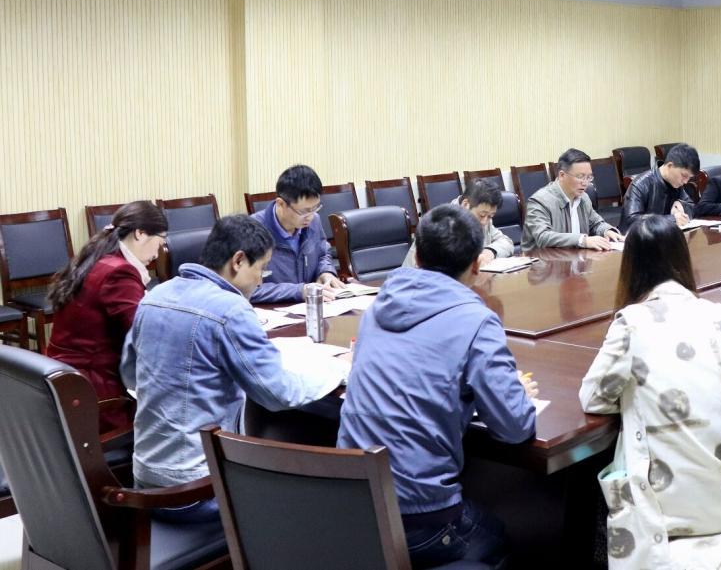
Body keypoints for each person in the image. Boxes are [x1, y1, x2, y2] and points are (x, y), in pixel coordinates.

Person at [340, 205, 537, 569]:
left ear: (416, 256)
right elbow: (515, 427)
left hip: (351, 502)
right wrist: (518, 396)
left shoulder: (376, 307)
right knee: (506, 539)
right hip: (420, 519)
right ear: (476, 265)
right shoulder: (476, 321)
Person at [580, 216, 721, 569]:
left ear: (630, 266)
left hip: (683, 508)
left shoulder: (631, 322)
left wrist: (637, 392)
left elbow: (594, 397)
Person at [122, 215, 347, 522]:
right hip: (196, 490)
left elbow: (130, 375)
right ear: (238, 261)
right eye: (262, 269)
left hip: (145, 480)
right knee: (319, 497)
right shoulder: (230, 309)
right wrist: (337, 371)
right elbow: (277, 393)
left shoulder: (155, 297)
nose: (261, 280)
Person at [46, 202, 168, 433]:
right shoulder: (119, 272)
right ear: (140, 234)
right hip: (97, 394)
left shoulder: (98, 259)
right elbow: (145, 336)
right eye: (160, 242)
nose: (157, 254)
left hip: (66, 382)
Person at [249, 164, 345, 303]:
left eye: (315, 208)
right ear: (281, 203)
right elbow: (249, 290)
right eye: (303, 211)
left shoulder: (314, 220)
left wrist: (326, 272)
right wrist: (298, 291)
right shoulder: (253, 230)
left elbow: (323, 254)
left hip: (312, 306)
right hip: (275, 311)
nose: (310, 217)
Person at [523, 148, 625, 252]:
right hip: (542, 260)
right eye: (580, 176)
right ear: (562, 175)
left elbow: (596, 224)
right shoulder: (539, 201)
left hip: (574, 258)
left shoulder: (584, 198)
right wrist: (582, 240)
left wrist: (607, 231)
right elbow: (542, 237)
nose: (585, 183)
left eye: (589, 177)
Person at [403, 178, 512, 268]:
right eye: (482, 215)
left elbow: (506, 241)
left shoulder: (484, 220)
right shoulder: (440, 224)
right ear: (465, 204)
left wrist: (490, 252)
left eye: (490, 216)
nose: (484, 222)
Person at [620, 144, 699, 230]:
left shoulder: (676, 183)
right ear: (670, 166)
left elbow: (693, 208)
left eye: (689, 178)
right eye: (684, 175)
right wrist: (672, 219)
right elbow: (631, 221)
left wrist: (682, 206)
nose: (685, 182)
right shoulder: (641, 184)